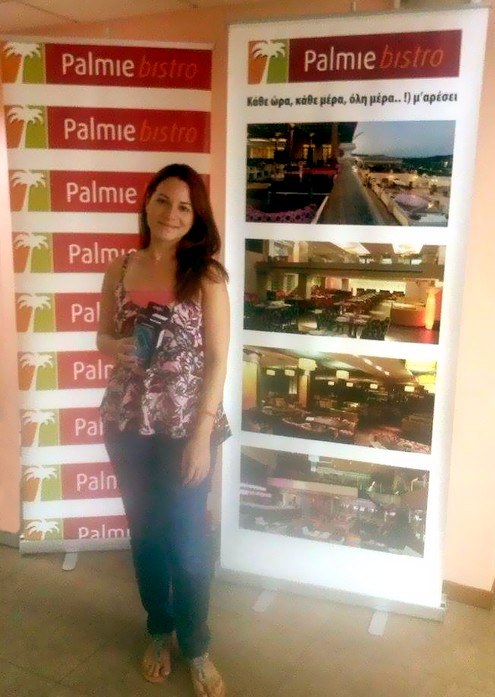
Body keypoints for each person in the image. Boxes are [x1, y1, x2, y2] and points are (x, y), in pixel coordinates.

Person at [97, 163, 230, 696]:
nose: (171, 214)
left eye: (184, 207)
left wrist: (202, 436)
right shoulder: (119, 267)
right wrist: (116, 347)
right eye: (162, 201)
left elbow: (218, 360)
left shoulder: (207, 276)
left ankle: (196, 647)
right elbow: (102, 336)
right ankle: (159, 630)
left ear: (196, 217)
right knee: (146, 536)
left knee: (189, 545)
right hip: (127, 422)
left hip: (186, 427)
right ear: (147, 202)